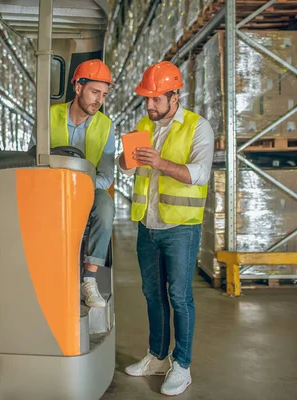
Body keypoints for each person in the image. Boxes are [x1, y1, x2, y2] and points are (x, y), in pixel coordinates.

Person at [116, 61, 214, 396]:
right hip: (148, 224)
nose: (149, 106)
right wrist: (124, 159)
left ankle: (182, 366)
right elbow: (127, 169)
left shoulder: (198, 127)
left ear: (175, 96)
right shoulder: (144, 124)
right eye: (147, 99)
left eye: (156, 99)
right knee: (152, 294)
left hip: (181, 229)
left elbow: (200, 174)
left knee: (180, 296)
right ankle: (157, 357)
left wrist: (160, 162)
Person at [31, 59, 116, 308]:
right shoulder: (49, 116)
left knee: (106, 207)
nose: (99, 100)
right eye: (94, 92)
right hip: (50, 188)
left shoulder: (106, 126)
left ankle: (89, 279)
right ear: (78, 87)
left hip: (89, 190)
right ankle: (44, 275)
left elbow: (107, 173)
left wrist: (83, 191)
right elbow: (32, 158)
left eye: (104, 94)